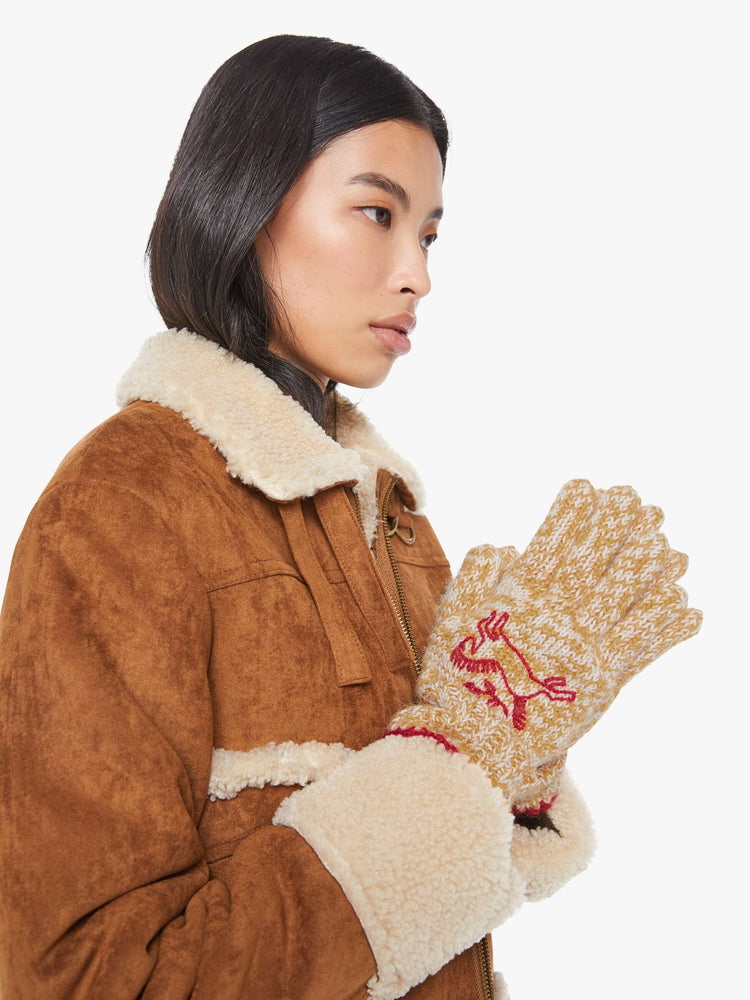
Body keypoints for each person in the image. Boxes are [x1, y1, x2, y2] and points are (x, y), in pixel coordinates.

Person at [0, 33, 700, 1000]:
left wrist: (513, 757)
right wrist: (456, 765)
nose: (418, 276)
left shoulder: (396, 526)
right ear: (246, 204)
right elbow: (83, 977)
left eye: (429, 235)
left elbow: (458, 888)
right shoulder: (122, 505)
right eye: (376, 213)